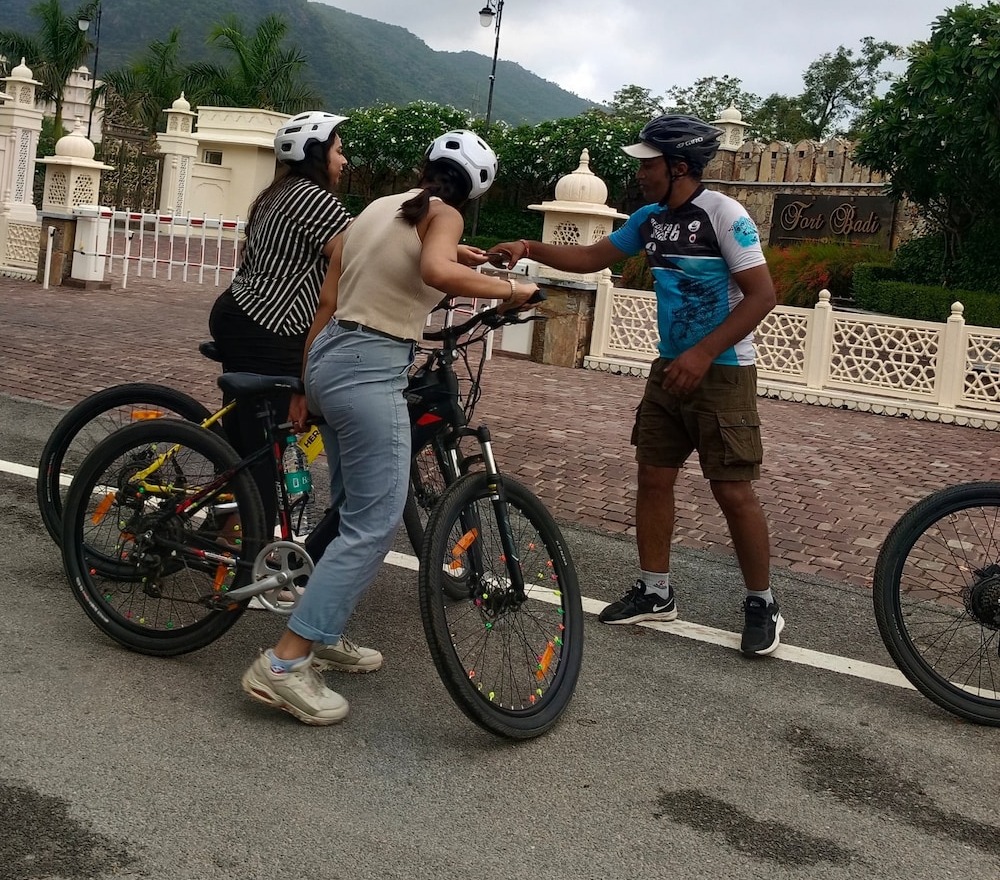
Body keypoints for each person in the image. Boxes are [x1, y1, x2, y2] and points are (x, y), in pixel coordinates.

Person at [241, 129, 539, 725]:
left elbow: (330, 297)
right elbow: (435, 267)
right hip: (371, 367)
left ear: (425, 166)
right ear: (475, 190)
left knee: (354, 508)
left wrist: (306, 384)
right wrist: (512, 289)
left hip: (328, 358)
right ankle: (282, 665)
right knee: (375, 522)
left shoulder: (380, 208)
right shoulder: (445, 214)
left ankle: (319, 632)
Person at [488, 114, 783, 657]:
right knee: (653, 478)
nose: (640, 174)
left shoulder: (725, 215)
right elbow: (592, 257)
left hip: (723, 371)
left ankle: (762, 602)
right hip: (670, 368)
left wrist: (702, 353)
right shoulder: (649, 219)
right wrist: (528, 246)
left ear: (678, 166)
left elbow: (763, 295)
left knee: (732, 489)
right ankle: (655, 591)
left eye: (648, 165)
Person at [208, 111, 351, 522]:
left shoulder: (279, 191)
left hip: (245, 314)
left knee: (244, 440)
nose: (344, 161)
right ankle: (258, 554)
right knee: (266, 448)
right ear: (316, 153)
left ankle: (229, 532)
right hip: (269, 325)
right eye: (338, 151)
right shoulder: (311, 197)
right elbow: (361, 255)